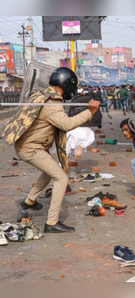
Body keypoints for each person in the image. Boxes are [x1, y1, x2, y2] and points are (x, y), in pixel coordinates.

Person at [0, 67, 100, 233]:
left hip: (30, 145)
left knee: (50, 171)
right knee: (61, 177)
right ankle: (52, 222)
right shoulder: (52, 102)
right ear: (67, 84)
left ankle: (30, 201)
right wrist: (89, 112)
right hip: (31, 148)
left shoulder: (42, 94)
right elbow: (66, 124)